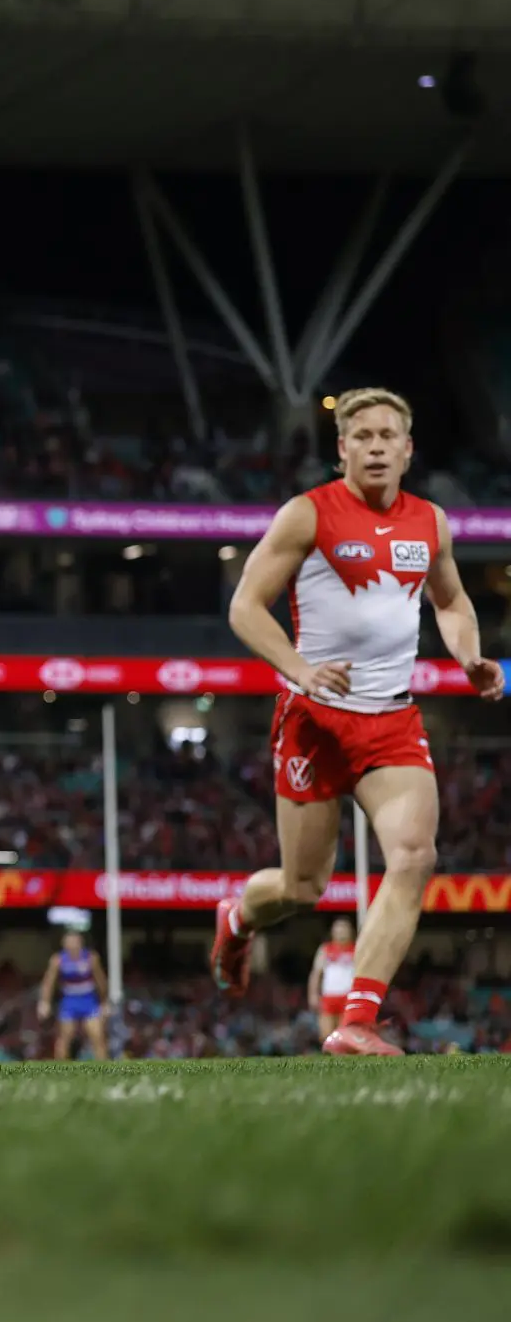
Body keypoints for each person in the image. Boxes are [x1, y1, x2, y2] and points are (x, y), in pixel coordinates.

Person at [212, 388, 501, 1057]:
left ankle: (357, 1019)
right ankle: (237, 915)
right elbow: (246, 607)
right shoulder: (306, 515)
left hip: (392, 719)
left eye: (386, 435)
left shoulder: (430, 522)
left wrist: (468, 656)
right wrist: (300, 669)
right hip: (314, 719)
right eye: (361, 435)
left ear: (407, 449)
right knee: (302, 886)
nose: (375, 446)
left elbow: (452, 600)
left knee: (414, 854)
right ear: (342, 448)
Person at [36, 929, 108, 1061]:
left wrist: (104, 1002)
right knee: (64, 1037)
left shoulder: (91, 958)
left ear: (81, 943)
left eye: (75, 942)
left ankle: (104, 1067)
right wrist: (44, 1002)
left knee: (97, 1036)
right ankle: (60, 1069)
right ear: (64, 944)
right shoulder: (58, 960)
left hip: (88, 1000)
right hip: (69, 1001)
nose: (73, 945)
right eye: (69, 942)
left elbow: (101, 981)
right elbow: (48, 983)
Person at [308, 916, 358, 1044]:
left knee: (345, 1034)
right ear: (333, 932)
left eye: (344, 929)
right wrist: (313, 994)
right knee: (325, 1035)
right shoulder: (325, 950)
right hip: (329, 997)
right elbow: (316, 973)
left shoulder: (356, 950)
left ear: (350, 931)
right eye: (338, 930)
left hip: (347, 997)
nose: (341, 933)